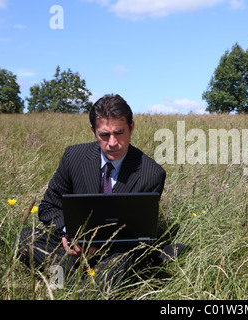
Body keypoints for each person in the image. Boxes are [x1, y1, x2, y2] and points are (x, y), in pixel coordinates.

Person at [18, 94, 181, 297]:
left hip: (116, 251)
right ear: (93, 131)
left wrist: (100, 247)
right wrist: (69, 234)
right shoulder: (73, 157)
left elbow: (142, 234)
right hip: (72, 247)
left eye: (119, 133)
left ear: (131, 128)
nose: (112, 143)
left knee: (122, 261)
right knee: (26, 237)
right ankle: (76, 282)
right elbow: (48, 206)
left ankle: (70, 286)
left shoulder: (152, 173)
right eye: (104, 135)